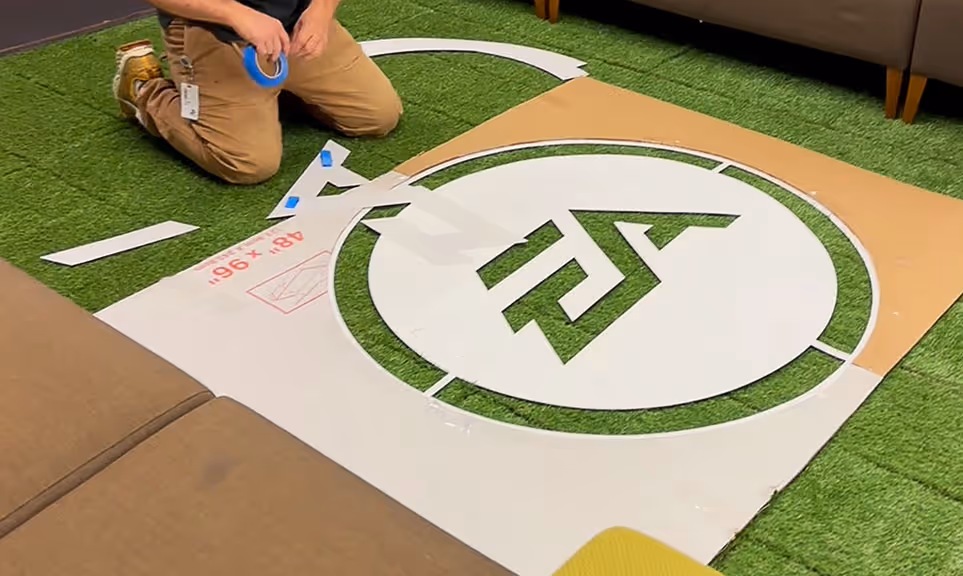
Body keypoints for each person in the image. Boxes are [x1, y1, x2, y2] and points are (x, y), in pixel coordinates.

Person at [112, 0, 402, 184]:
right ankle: (143, 90)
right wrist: (233, 12)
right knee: (247, 164)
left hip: (297, 22)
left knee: (377, 117)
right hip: (215, 29)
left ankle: (269, 96)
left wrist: (321, 11)